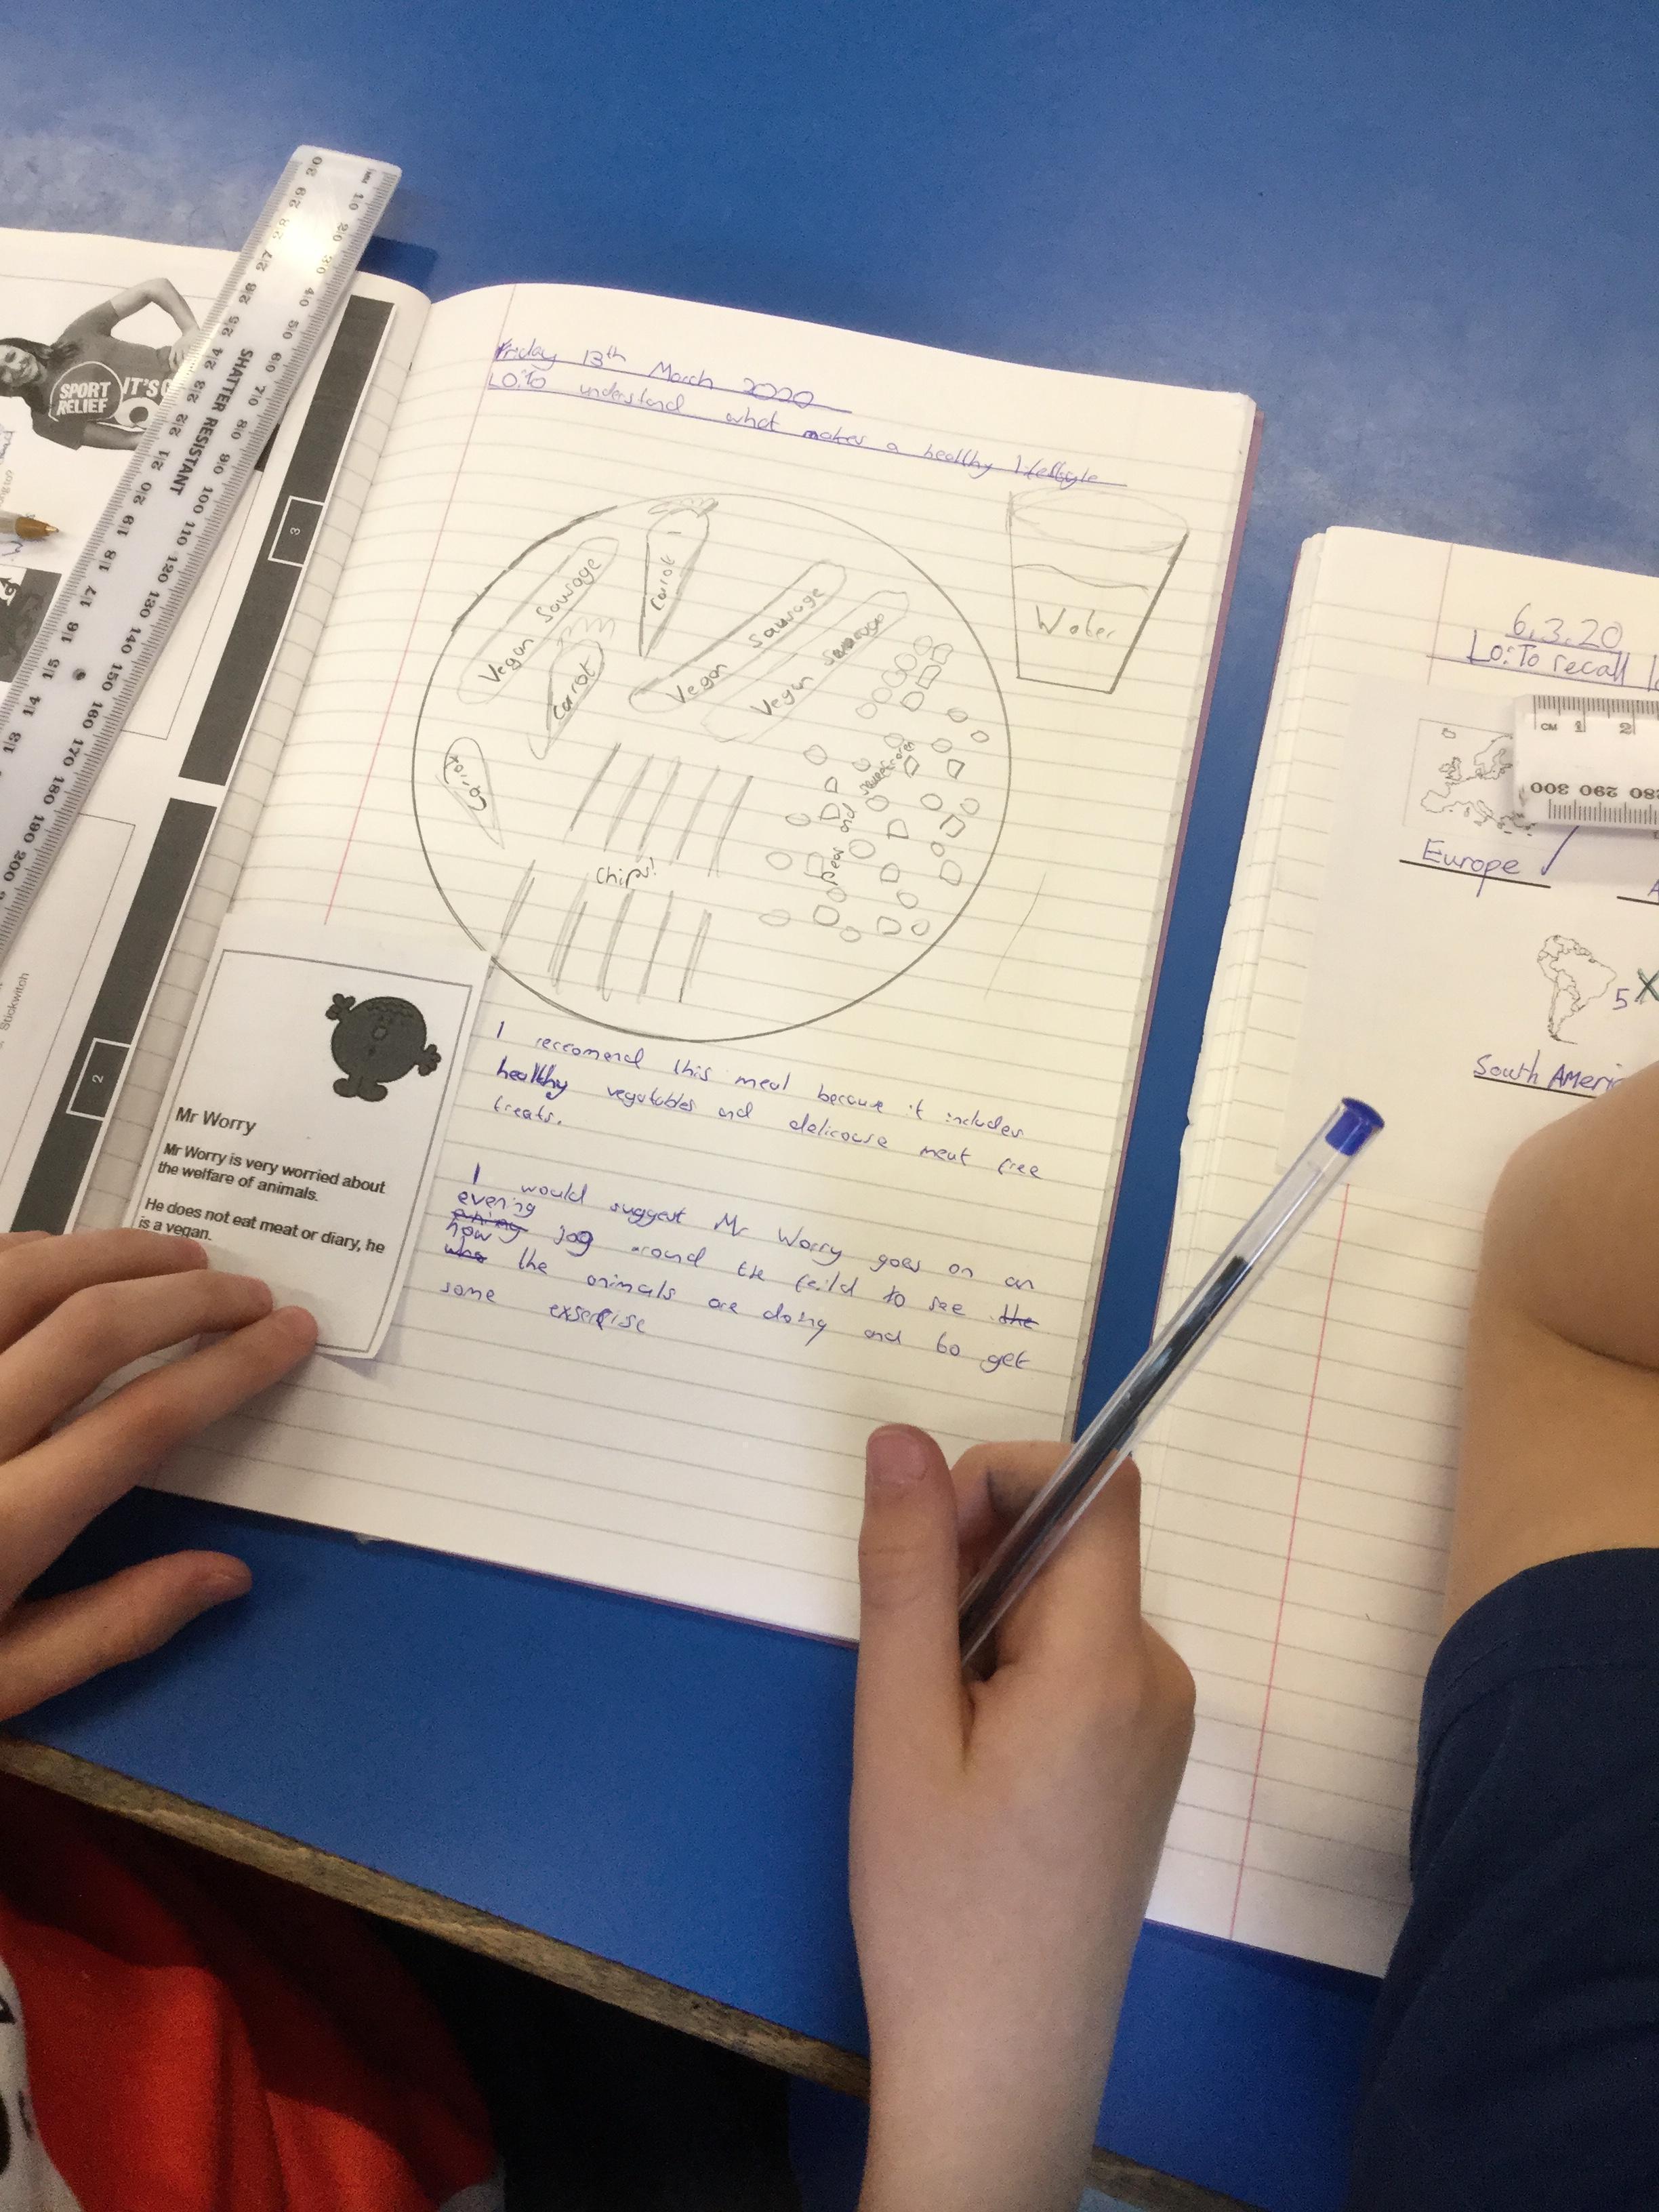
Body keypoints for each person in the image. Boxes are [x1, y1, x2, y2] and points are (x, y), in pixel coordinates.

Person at [0, 279, 200, 452]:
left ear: (22, 347)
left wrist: (189, 330)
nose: (16, 367)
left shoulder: (77, 336)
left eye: (11, 356)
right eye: (2, 372)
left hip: (196, 375)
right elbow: (129, 441)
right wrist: (176, 437)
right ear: (4, 387)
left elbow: (155, 287)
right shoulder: (44, 422)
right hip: (183, 421)